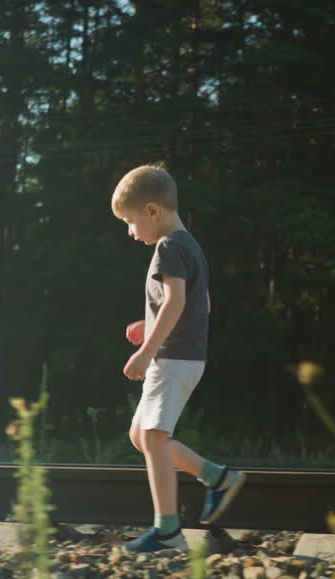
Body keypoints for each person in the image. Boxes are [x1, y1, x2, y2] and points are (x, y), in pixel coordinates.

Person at [112, 164, 246, 552]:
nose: (130, 231)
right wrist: (150, 322)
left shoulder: (168, 247)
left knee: (153, 437)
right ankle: (216, 477)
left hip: (172, 357)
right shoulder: (191, 245)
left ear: (152, 211)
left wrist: (145, 350)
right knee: (141, 436)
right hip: (186, 356)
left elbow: (176, 301)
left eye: (130, 221)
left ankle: (168, 531)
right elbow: (202, 303)